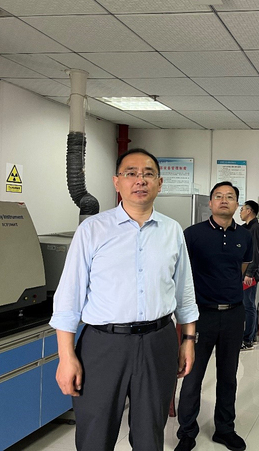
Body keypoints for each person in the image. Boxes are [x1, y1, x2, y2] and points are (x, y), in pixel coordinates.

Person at [50, 148, 198, 451]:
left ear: (159, 183)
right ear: (117, 182)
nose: (140, 180)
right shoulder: (92, 230)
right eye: (131, 173)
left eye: (148, 174)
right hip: (104, 345)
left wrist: (188, 340)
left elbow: (185, 292)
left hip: (158, 342)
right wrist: (66, 356)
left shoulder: (172, 231)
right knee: (95, 435)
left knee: (150, 435)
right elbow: (68, 299)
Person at [176, 181, 253, 451]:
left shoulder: (245, 236)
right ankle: (187, 432)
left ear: (237, 204)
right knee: (193, 376)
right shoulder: (192, 234)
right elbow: (182, 273)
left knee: (228, 376)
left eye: (230, 197)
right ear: (210, 203)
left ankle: (224, 429)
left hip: (233, 314)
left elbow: (241, 268)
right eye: (218, 196)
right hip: (201, 315)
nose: (224, 200)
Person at [239, 199, 259, 350]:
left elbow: (256, 254)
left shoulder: (256, 229)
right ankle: (252, 336)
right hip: (246, 273)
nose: (240, 212)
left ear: (249, 211)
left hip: (250, 274)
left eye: (242, 209)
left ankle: (248, 340)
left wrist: (249, 273)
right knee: (248, 304)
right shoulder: (247, 228)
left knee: (248, 305)